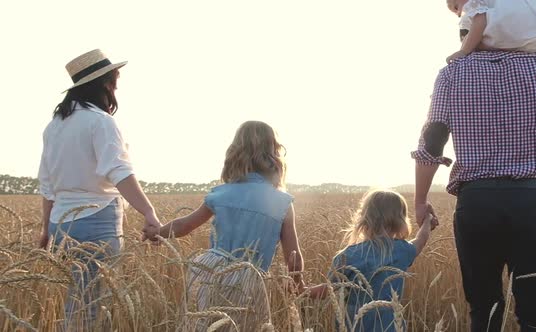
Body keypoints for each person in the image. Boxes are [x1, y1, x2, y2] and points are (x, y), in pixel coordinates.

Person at [412, 46, 536, 330]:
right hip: (531, 201)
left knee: (484, 309)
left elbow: (433, 140)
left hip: (476, 202)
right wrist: (533, 110)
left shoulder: (452, 73)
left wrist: (420, 200)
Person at [37, 49, 161, 330]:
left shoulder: (53, 126)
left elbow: (47, 184)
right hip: (96, 221)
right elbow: (119, 171)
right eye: (115, 77)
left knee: (76, 302)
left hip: (60, 225)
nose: (117, 83)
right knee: (94, 306)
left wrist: (46, 229)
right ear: (105, 83)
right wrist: (149, 211)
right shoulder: (101, 122)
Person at [158, 121, 304, 331]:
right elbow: (294, 257)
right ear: (273, 154)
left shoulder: (221, 193)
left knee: (203, 324)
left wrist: (158, 232)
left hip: (208, 271)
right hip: (248, 278)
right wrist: (298, 286)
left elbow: (184, 225)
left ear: (235, 152)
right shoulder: (281, 202)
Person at [307, 189, 434, 331]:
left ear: (364, 217)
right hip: (390, 325)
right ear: (400, 220)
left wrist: (302, 291)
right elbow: (421, 240)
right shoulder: (402, 250)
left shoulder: (348, 255)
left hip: (354, 324)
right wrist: (427, 221)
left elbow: (327, 290)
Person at [446, 0, 536, 63]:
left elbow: (480, 22)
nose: (459, 13)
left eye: (455, 7)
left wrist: (464, 51)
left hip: (509, 19)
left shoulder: (474, 2)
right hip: (530, 24)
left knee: (476, 37)